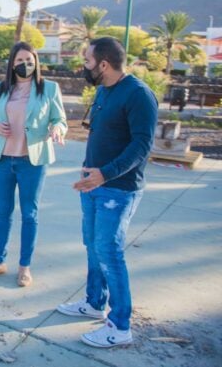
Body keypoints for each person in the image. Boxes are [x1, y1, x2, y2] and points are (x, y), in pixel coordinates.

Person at [56, 37, 158, 348]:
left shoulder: (139, 95)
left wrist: (105, 174)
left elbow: (142, 146)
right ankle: (94, 302)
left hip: (118, 189)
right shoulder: (103, 90)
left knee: (110, 252)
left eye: (86, 62)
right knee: (92, 245)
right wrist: (90, 170)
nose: (83, 67)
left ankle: (120, 324)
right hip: (93, 184)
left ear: (103, 64)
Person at [0, 42, 67, 287]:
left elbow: (59, 118)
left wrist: (57, 128)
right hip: (3, 160)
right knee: (3, 212)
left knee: (29, 214)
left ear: (36, 62)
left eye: (29, 60)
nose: (25, 65)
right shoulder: (0, 88)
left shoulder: (49, 89)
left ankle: (24, 267)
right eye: (20, 60)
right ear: (12, 63)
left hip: (33, 161)